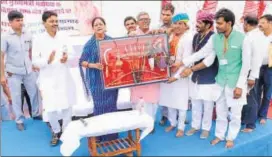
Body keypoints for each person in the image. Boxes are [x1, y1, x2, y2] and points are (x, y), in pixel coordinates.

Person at [176, 8, 250, 148]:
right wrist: (183, 62)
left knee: (235, 113)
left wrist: (240, 86)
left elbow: (246, 64)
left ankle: (231, 136)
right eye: (216, 23)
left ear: (229, 23)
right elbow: (202, 53)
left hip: (236, 82)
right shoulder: (215, 38)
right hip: (220, 80)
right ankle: (219, 135)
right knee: (221, 111)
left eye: (220, 23)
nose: (216, 26)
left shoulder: (242, 38)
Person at [32, 11, 75, 146]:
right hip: (48, 78)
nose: (55, 24)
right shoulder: (38, 39)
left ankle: (66, 130)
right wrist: (47, 60)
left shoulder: (64, 36)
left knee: (67, 105)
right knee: (50, 107)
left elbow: (72, 54)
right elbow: (34, 62)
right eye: (51, 21)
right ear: (44, 23)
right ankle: (56, 131)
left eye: (56, 21)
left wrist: (67, 58)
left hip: (64, 75)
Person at [79, 17, 119, 142]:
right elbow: (82, 62)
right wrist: (94, 65)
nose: (98, 26)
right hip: (96, 80)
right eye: (96, 25)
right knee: (99, 107)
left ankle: (112, 134)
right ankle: (99, 133)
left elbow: (119, 57)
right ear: (93, 28)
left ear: (105, 26)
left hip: (111, 80)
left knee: (111, 106)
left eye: (101, 24)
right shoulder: (89, 44)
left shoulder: (112, 41)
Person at [180, 11, 218, 139]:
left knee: (207, 105)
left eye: (200, 22)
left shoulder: (214, 37)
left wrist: (190, 69)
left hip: (208, 75)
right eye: (197, 21)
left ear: (208, 25)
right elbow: (193, 55)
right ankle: (195, 125)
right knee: (195, 102)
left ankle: (206, 128)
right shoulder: (196, 36)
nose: (197, 24)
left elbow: (209, 60)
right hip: (195, 76)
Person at [1, 10, 40, 131]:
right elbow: (1, 56)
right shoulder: (5, 37)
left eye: (22, 20)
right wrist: (2, 75)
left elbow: (30, 51)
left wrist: (32, 64)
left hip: (28, 71)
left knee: (34, 93)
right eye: (18, 20)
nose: (21, 22)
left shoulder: (28, 34)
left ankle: (37, 115)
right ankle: (19, 120)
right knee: (16, 97)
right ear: (10, 23)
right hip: (13, 72)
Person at [161, 13, 193, 137]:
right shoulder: (169, 36)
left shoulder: (188, 38)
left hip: (180, 75)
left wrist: (177, 76)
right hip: (168, 73)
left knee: (181, 102)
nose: (177, 26)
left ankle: (181, 127)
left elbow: (186, 60)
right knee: (169, 100)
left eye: (181, 24)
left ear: (186, 26)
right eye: (175, 23)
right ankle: (172, 123)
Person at [129, 12, 159, 132]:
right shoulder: (132, 35)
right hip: (138, 72)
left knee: (152, 100)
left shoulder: (155, 34)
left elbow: (160, 50)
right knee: (138, 100)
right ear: (137, 23)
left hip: (152, 73)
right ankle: (140, 124)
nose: (146, 21)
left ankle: (150, 124)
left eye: (148, 19)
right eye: (142, 19)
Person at [240, 15, 266, 133]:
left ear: (247, 24)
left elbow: (256, 58)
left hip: (252, 71)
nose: (243, 26)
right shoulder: (255, 35)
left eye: (243, 24)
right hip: (250, 70)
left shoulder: (254, 37)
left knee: (251, 97)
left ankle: (250, 125)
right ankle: (246, 120)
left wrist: (252, 76)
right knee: (249, 96)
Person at [257, 14, 272, 125]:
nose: (260, 24)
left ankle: (263, 115)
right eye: (259, 22)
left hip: (270, 68)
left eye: (263, 22)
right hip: (257, 67)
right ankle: (254, 113)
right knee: (255, 92)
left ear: (270, 23)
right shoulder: (257, 36)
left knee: (267, 94)